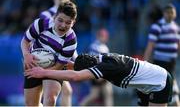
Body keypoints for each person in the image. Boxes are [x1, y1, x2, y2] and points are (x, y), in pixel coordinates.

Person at [25, 53, 173, 106]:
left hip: (159, 82)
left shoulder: (106, 67)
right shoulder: (100, 58)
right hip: (147, 83)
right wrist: (56, 62)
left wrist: (43, 72)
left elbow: (75, 76)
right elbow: (74, 66)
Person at [21, 1, 77, 106]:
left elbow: (59, 65)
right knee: (31, 105)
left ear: (73, 22)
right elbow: (25, 41)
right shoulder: (41, 24)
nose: (63, 25)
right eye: (60, 20)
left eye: (68, 22)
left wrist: (42, 72)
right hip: (34, 64)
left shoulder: (71, 41)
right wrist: (26, 55)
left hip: (55, 68)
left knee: (50, 99)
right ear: (54, 17)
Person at [39, 0, 75, 106]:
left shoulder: (68, 15)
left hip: (58, 60)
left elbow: (68, 42)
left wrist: (75, 57)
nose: (63, 0)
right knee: (51, 95)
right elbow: (40, 36)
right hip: (46, 59)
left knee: (56, 94)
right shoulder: (46, 15)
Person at [142, 3, 180, 106]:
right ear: (164, 14)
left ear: (175, 14)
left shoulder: (176, 28)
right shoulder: (157, 26)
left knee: (173, 91)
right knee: (165, 91)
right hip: (161, 64)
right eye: (168, 12)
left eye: (172, 12)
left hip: (171, 64)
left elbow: (177, 45)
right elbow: (150, 46)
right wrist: (145, 63)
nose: (170, 15)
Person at [80, 28, 114, 106]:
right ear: (98, 36)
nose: (104, 38)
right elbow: (93, 62)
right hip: (98, 74)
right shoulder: (95, 46)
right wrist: (97, 76)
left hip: (102, 73)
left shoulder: (103, 46)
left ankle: (81, 105)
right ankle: (81, 105)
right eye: (102, 36)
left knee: (106, 94)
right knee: (99, 95)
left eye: (105, 36)